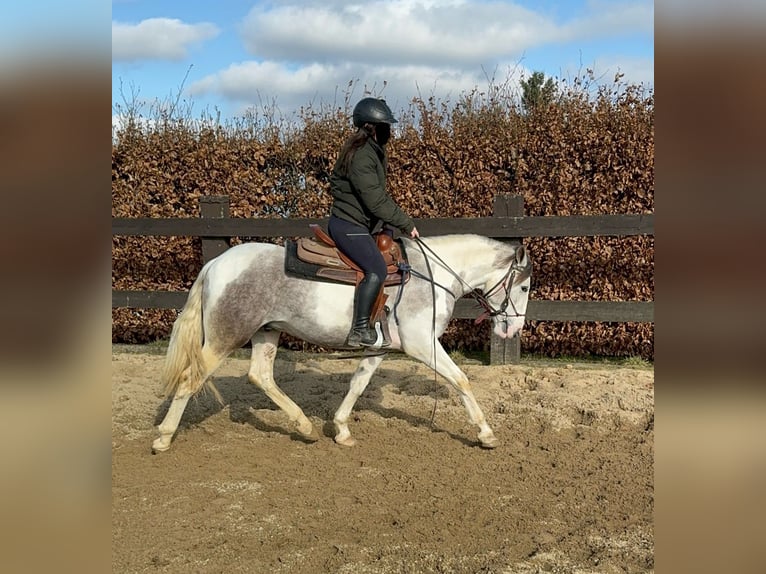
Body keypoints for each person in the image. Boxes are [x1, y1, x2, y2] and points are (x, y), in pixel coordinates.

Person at [328, 97, 420, 348]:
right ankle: (359, 329)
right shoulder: (362, 156)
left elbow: (375, 197)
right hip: (348, 226)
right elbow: (375, 199)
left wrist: (385, 224)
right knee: (376, 269)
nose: (389, 131)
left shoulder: (370, 151)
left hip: (358, 224)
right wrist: (405, 222)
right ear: (372, 127)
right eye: (386, 127)